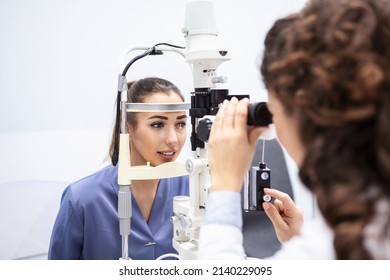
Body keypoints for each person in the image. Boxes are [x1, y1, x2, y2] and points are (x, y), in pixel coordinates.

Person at [199, 0, 390, 260]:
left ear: (301, 112)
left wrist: (224, 185)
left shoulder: (331, 246)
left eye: (273, 112)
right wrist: (299, 240)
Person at [48, 77, 189, 260]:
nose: (173, 139)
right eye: (157, 124)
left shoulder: (193, 189)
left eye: (180, 124)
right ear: (128, 127)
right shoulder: (82, 199)